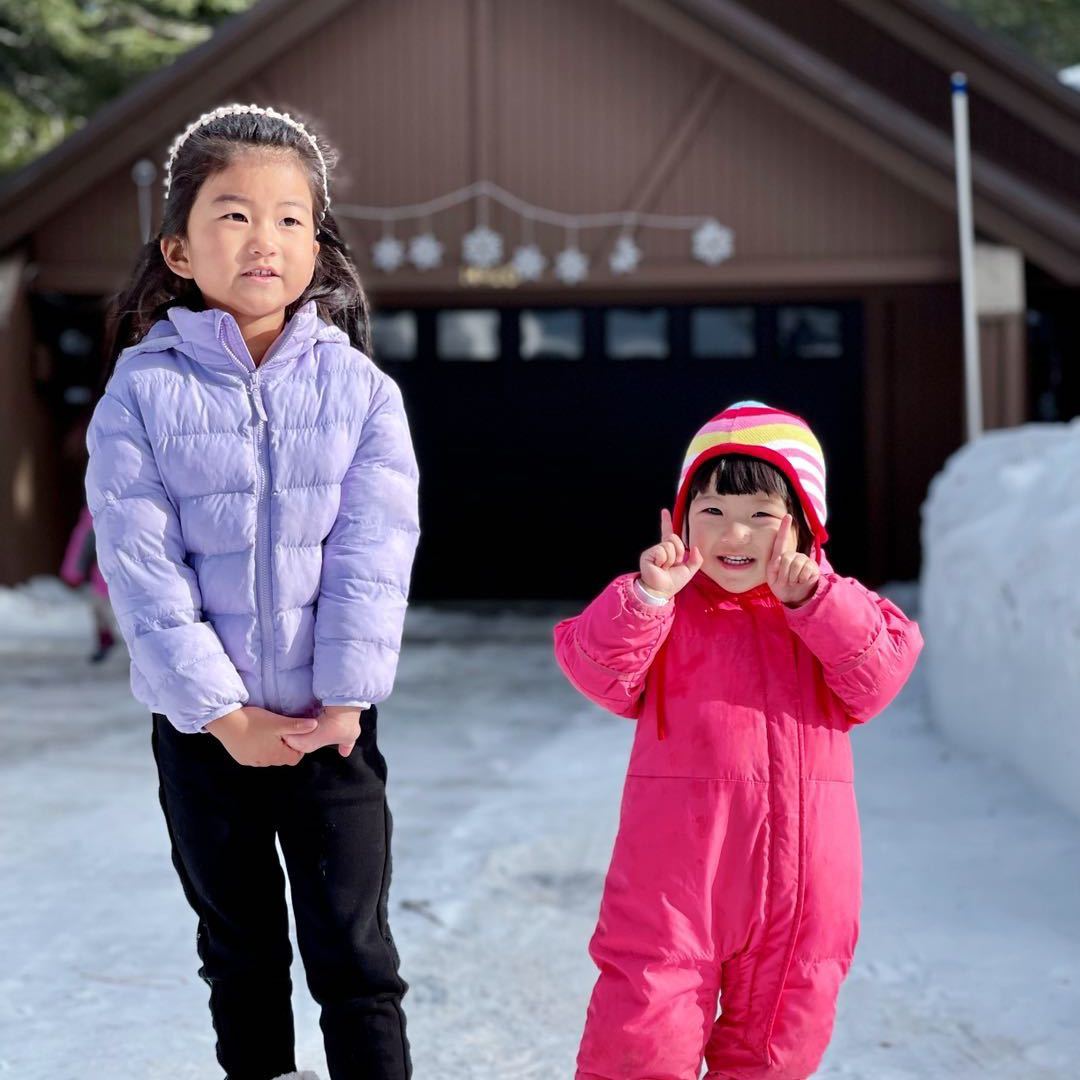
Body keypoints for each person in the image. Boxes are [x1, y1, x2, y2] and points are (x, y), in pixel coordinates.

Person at [84, 103, 419, 1080]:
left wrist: (344, 700)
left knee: (356, 955)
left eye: (289, 219)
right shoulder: (141, 395)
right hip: (203, 736)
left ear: (317, 244)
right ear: (180, 249)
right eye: (234, 215)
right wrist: (223, 714)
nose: (264, 240)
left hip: (333, 732)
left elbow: (373, 554)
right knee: (241, 956)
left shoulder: (361, 394)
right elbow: (144, 573)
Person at [554, 401, 923, 1080]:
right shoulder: (665, 607)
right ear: (681, 517)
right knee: (639, 1042)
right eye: (713, 511)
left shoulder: (826, 608)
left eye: (761, 514)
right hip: (673, 886)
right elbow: (596, 671)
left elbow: (877, 679)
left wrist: (816, 602)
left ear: (805, 523)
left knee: (774, 1052)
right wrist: (647, 596)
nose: (736, 533)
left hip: (804, 892)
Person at [59, 503, 117, 663]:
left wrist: (73, 573)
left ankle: (107, 640)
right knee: (102, 609)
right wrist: (73, 572)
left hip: (106, 574)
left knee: (102, 609)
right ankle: (106, 640)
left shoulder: (95, 510)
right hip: (108, 575)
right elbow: (83, 546)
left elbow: (81, 546)